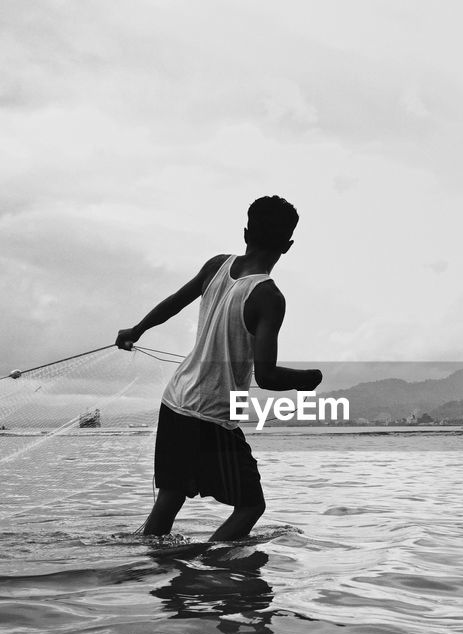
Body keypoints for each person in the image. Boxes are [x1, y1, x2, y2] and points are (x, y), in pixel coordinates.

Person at [116, 196, 322, 540]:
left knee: (170, 496)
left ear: (245, 233)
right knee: (251, 506)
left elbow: (174, 303)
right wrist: (308, 379)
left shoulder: (216, 265)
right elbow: (267, 376)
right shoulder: (269, 297)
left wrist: (136, 331)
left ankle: (155, 576)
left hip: (175, 399)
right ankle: (210, 564)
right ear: (287, 246)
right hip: (210, 414)